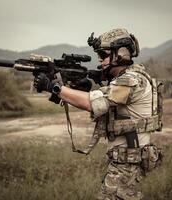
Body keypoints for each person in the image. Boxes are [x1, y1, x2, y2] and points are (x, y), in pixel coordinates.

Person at [33, 28, 162, 200]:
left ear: (120, 54)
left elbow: (91, 103)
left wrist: (53, 87)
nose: (100, 60)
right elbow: (100, 100)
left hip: (127, 165)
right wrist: (79, 87)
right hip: (125, 162)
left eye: (103, 54)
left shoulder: (131, 80)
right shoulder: (129, 78)